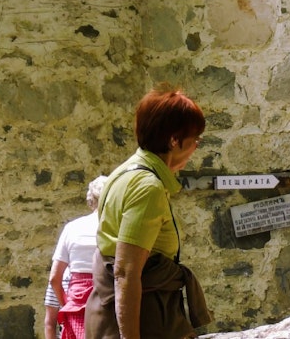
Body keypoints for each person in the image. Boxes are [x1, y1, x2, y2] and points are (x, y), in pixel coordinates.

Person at [84, 84, 212, 339]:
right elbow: (125, 272)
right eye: (194, 140)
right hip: (146, 321)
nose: (196, 147)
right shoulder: (147, 187)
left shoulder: (123, 172)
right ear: (174, 140)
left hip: (108, 315)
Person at [46, 176, 109, 339]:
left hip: (78, 301)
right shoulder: (116, 228)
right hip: (108, 297)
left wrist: (67, 304)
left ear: (91, 200)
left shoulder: (72, 228)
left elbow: (54, 278)